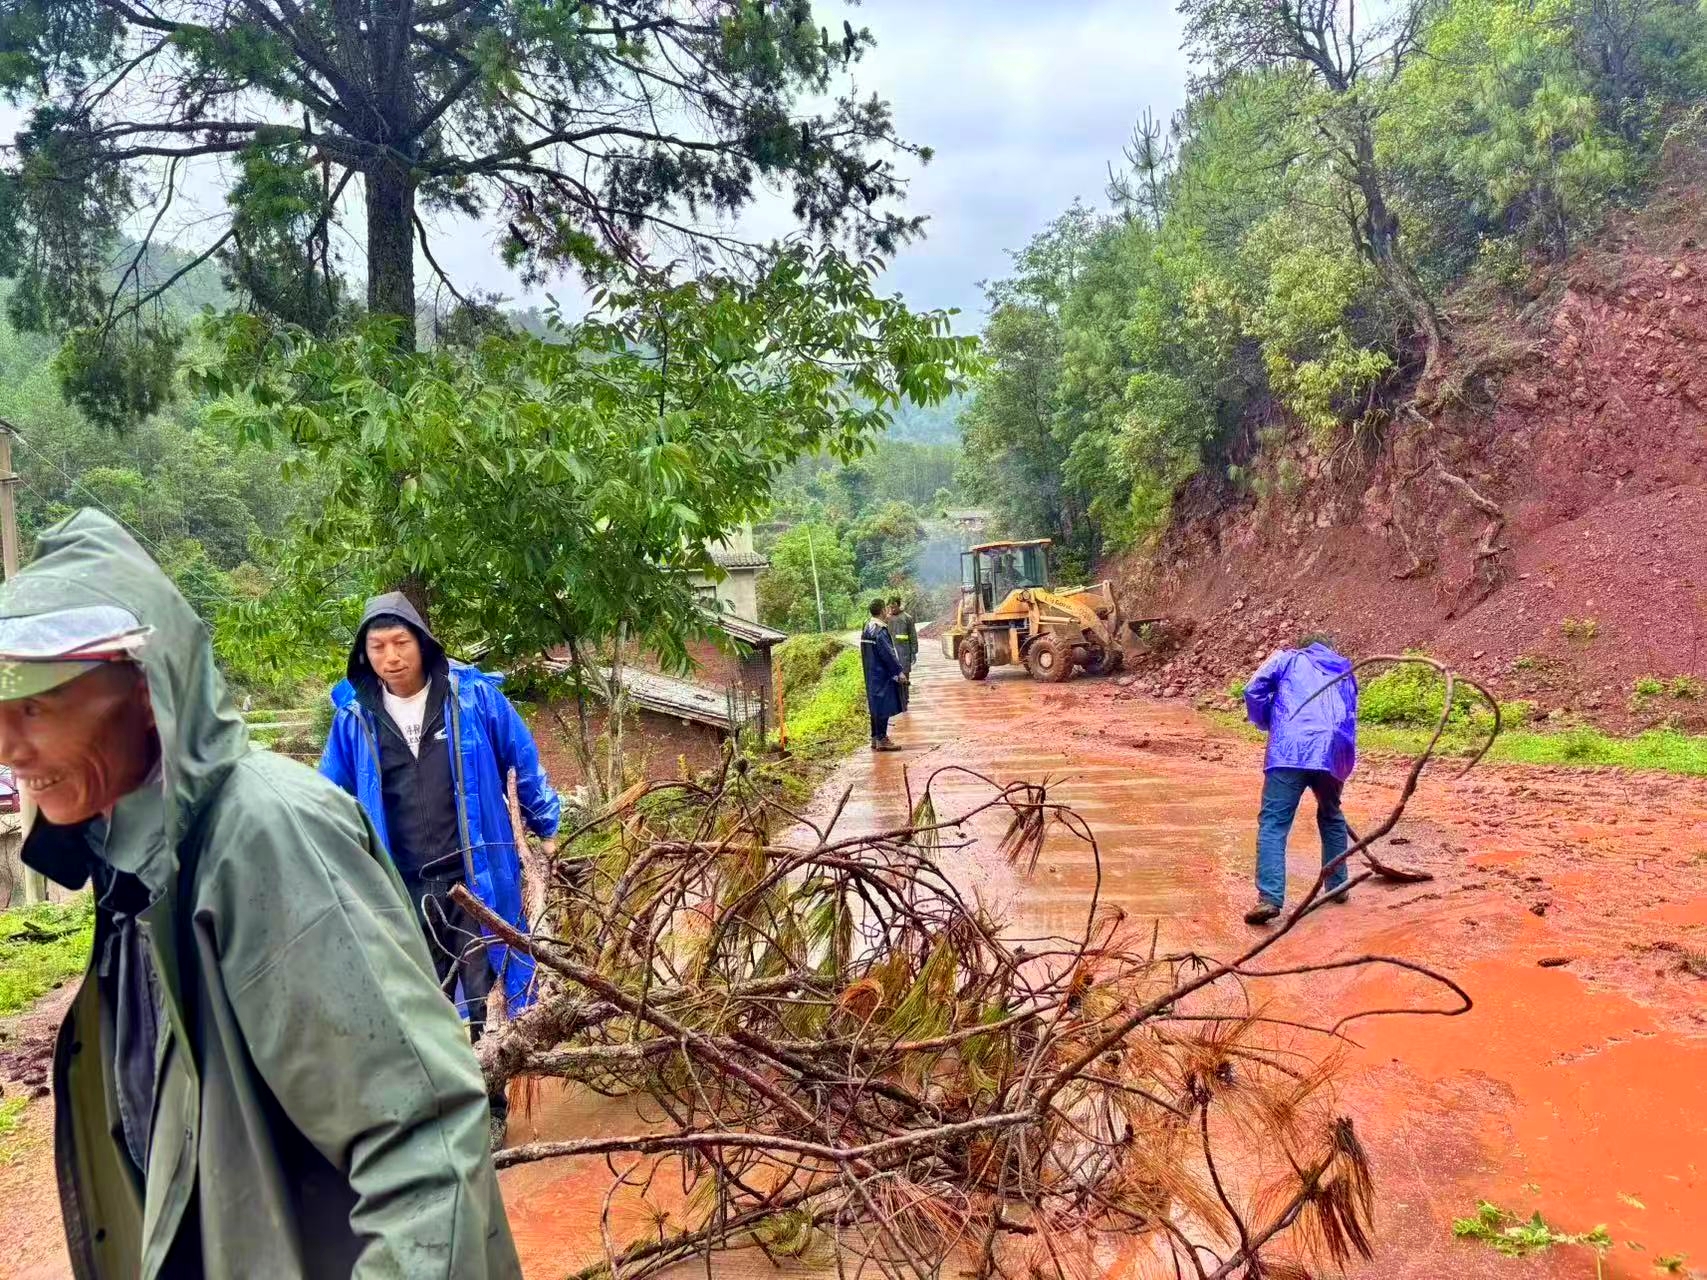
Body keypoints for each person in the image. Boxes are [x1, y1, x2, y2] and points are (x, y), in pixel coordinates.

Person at [0, 510, 519, 1278]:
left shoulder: (263, 837)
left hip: (462, 878)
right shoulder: (136, 868)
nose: (8, 746)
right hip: (406, 883)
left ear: (147, 690)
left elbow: (422, 1144)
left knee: (472, 987)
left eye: (35, 708)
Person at [319, 592, 562, 1145]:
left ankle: (489, 1103)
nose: (390, 657)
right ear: (364, 654)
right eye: (377, 647)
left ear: (422, 643)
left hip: (474, 877)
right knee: (414, 996)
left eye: (400, 642)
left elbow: (521, 759)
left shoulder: (472, 697)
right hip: (400, 884)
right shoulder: (355, 716)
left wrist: (546, 823)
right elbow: (329, 795)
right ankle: (432, 1107)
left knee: (482, 992)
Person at [1241, 635, 1359, 925]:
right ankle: (1338, 886)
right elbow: (1350, 713)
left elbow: (1253, 689)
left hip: (1289, 750)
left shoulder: (1286, 658)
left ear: (1302, 647)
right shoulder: (1344, 669)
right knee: (1331, 815)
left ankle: (1270, 899)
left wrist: (1268, 721)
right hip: (1333, 751)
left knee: (1274, 822)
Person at [860, 598, 906, 752]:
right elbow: (887, 654)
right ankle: (882, 739)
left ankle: (875, 737)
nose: (888, 611)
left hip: (870, 673)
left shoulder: (867, 627)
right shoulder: (880, 630)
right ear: (882, 611)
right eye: (886, 609)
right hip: (881, 674)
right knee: (883, 706)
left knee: (875, 705)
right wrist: (898, 671)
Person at [885, 595, 917, 712]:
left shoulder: (907, 618)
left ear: (899, 606)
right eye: (890, 607)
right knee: (892, 678)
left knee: (904, 677)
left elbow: (913, 635)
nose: (892, 609)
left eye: (894, 607)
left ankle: (905, 700)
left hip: (904, 652)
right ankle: (895, 701)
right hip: (891, 652)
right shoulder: (886, 619)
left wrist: (913, 652)